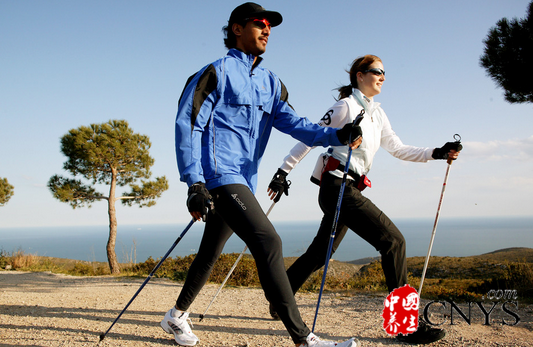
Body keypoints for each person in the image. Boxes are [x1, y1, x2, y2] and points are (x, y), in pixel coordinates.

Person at [163, 3, 363, 347]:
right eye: (259, 23)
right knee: (269, 242)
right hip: (218, 177)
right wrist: (194, 182)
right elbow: (188, 125)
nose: (267, 29)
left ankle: (176, 316)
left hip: (244, 181)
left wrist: (336, 136)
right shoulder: (215, 73)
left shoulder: (272, 83)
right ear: (237, 29)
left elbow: (296, 124)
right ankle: (303, 339)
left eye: (270, 25)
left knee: (210, 250)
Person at [267, 54, 462, 345]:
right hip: (336, 187)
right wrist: (283, 171)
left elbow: (398, 148)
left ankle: (279, 299)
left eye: (384, 73)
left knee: (321, 253)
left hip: (350, 189)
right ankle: (404, 325)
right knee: (393, 242)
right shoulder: (345, 106)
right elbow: (311, 137)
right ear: (359, 75)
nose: (382, 76)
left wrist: (438, 152)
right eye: (376, 71)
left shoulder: (378, 113)